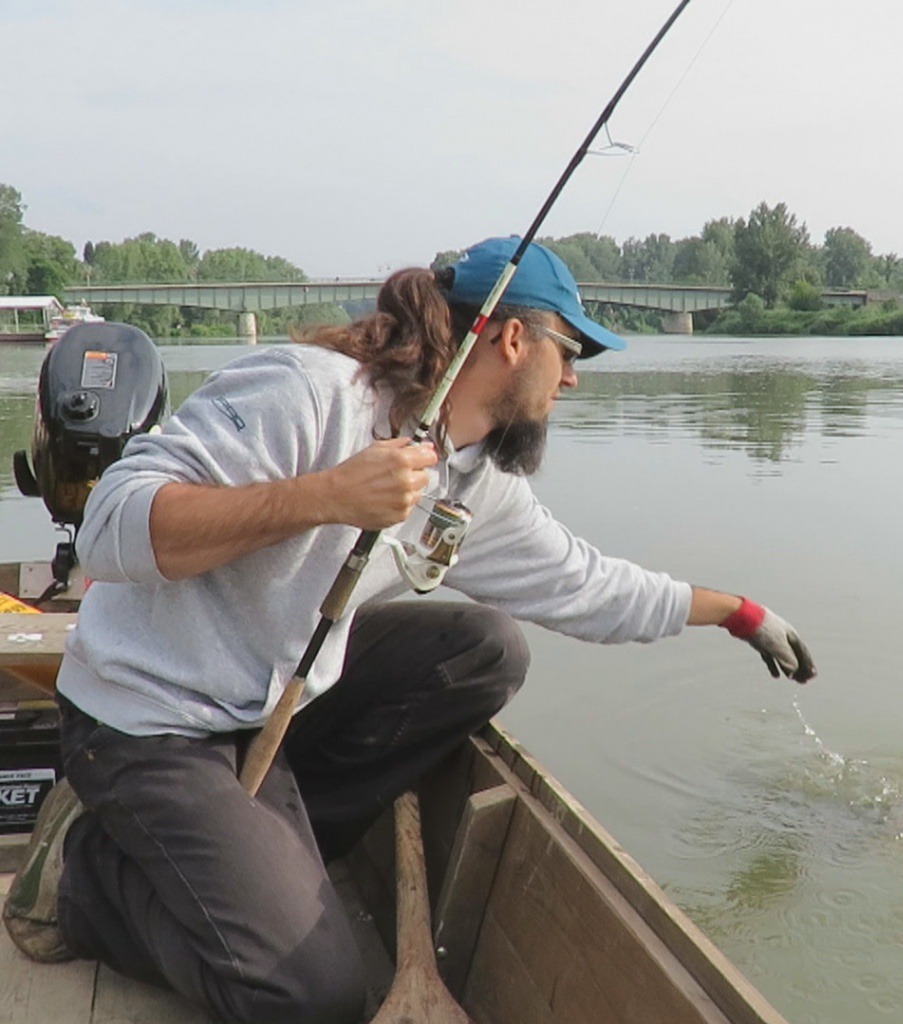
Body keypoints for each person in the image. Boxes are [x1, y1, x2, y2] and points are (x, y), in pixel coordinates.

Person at [2, 237, 814, 1024]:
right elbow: (108, 525)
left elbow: (586, 584)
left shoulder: (476, 477)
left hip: (270, 701)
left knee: (486, 650)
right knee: (309, 997)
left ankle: (267, 850)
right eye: (571, 352)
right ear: (512, 337)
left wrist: (736, 612)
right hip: (148, 722)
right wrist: (326, 495)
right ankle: (85, 880)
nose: (572, 378)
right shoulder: (311, 393)